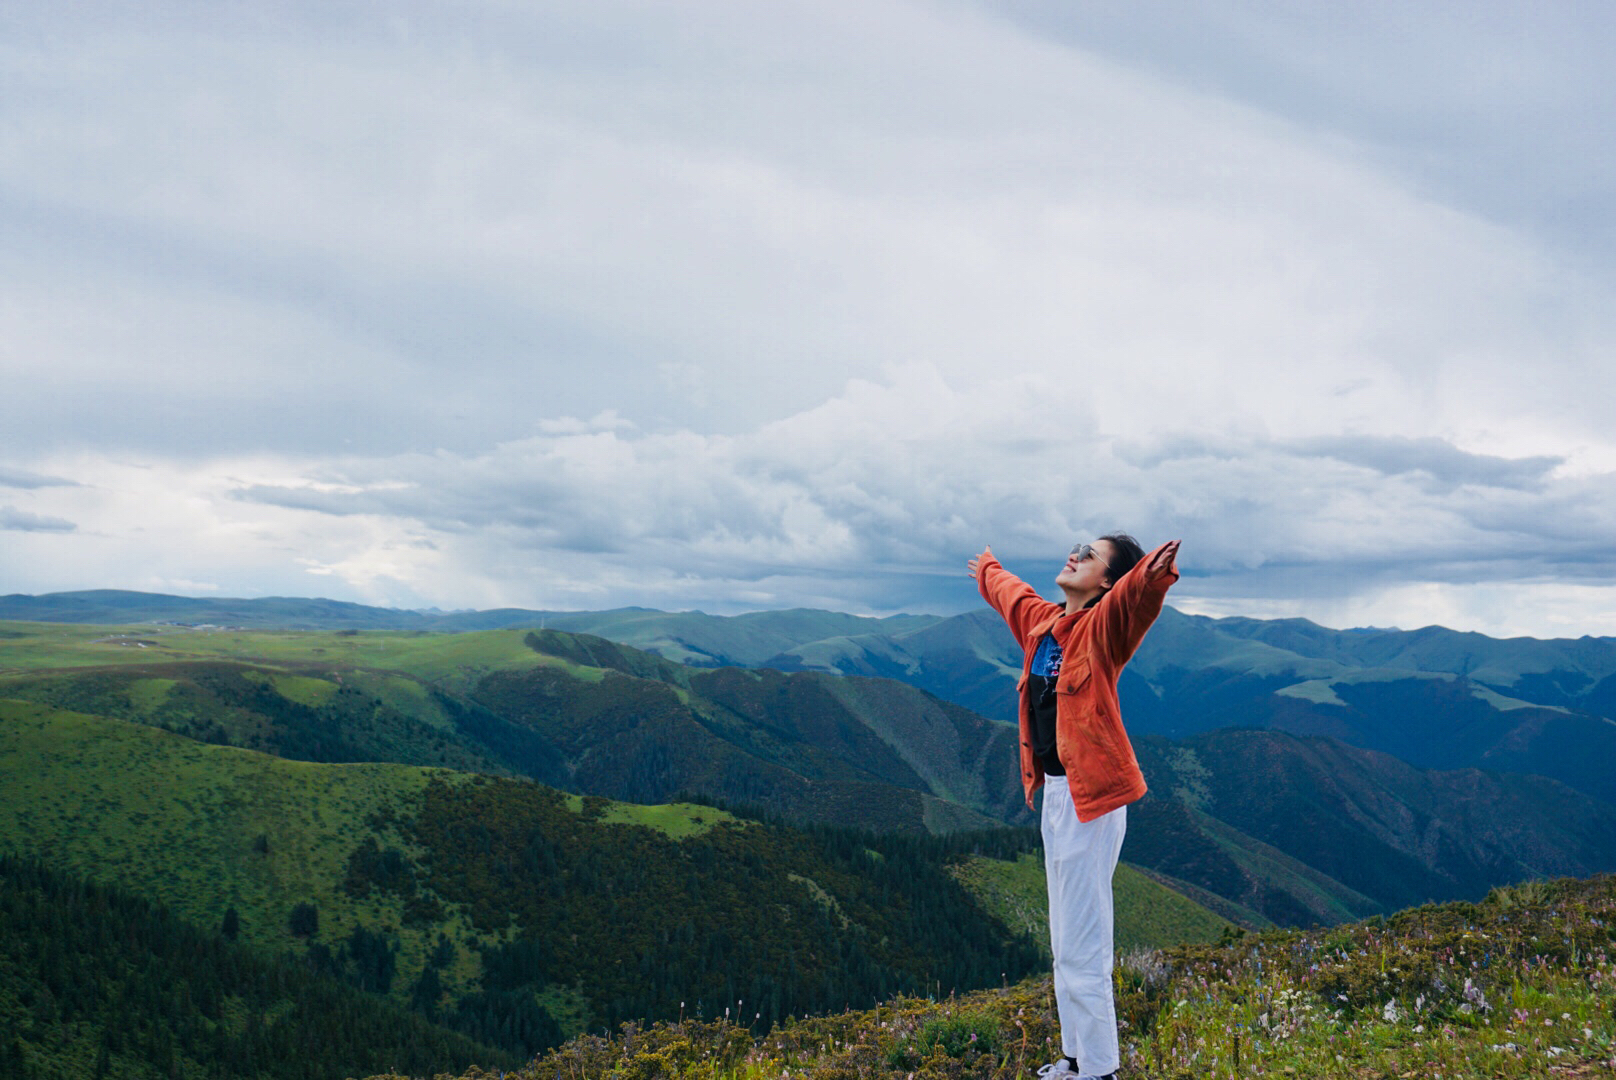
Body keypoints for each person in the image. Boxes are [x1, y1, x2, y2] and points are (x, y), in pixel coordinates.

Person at [968, 534, 1181, 1080]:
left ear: (1107, 581)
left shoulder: (1104, 628)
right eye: (1076, 546)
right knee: (1064, 943)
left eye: (1088, 554)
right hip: (1056, 798)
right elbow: (1013, 596)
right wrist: (988, 567)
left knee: (1085, 945)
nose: (1074, 555)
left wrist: (1150, 575)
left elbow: (1134, 602)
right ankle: (1074, 1058)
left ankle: (1101, 1070)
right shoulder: (1042, 625)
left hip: (1094, 800)